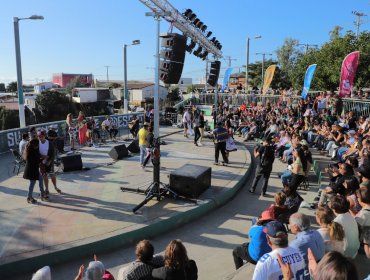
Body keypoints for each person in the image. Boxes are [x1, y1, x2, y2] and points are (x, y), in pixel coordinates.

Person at [289, 213, 325, 278]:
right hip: (321, 270)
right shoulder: (316, 233)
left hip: (308, 276)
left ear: (296, 227)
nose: (289, 226)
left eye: (290, 224)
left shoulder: (297, 244)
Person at [23, 138, 48, 203]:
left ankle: (42, 194)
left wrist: (43, 156)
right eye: (38, 144)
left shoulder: (33, 148)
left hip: (34, 169)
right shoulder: (31, 151)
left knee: (40, 178)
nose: (38, 146)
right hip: (31, 170)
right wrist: (44, 158)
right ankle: (29, 197)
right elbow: (37, 161)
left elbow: (38, 155)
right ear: (35, 145)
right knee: (32, 183)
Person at [38, 130, 62, 195]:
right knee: (44, 176)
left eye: (41, 136)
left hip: (49, 162)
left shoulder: (49, 143)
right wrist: (42, 158)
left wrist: (50, 161)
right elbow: (37, 153)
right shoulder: (37, 143)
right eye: (39, 136)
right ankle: (46, 189)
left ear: (44, 136)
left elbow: (53, 153)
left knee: (52, 175)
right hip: (41, 162)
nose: (40, 138)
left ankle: (55, 187)